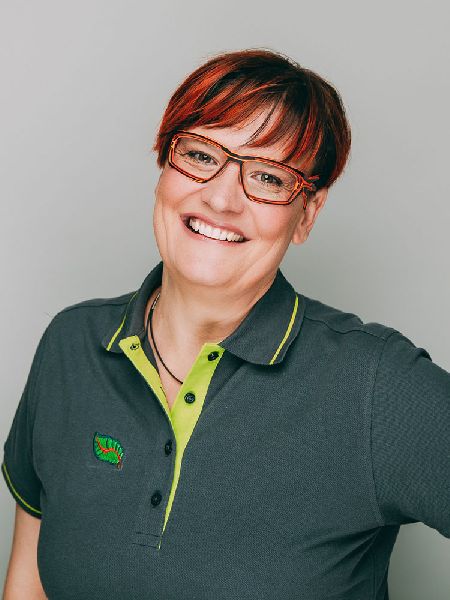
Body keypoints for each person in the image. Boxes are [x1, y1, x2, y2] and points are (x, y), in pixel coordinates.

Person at [1, 48, 449, 600]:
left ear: (306, 214)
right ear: (164, 166)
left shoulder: (375, 387)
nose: (220, 197)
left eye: (268, 176)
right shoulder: (70, 346)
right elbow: (29, 583)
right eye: (200, 155)